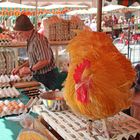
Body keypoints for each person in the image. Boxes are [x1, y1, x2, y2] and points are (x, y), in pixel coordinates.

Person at [12, 14, 67, 90]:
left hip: (48, 77)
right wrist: (20, 67)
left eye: (19, 33)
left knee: (48, 99)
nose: (18, 35)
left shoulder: (38, 40)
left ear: (26, 31)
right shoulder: (31, 40)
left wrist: (30, 69)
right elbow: (34, 60)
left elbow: (45, 60)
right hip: (41, 77)